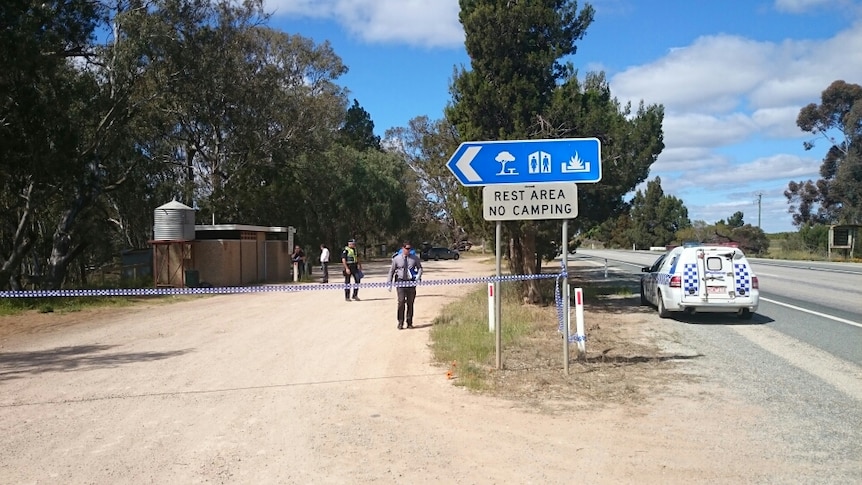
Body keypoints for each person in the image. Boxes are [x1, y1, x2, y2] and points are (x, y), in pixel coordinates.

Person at [388, 241, 423, 329]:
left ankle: (409, 322)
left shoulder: (415, 258)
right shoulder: (397, 259)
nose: (408, 250)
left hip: (411, 283)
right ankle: (400, 322)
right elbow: (391, 271)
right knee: (401, 302)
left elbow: (420, 268)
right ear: (403, 248)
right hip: (400, 282)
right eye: (406, 248)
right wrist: (389, 283)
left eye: (409, 249)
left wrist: (419, 275)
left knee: (410, 303)